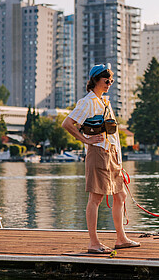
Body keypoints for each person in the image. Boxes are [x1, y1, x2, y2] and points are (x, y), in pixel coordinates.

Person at [62, 63, 140, 253]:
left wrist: (119, 160)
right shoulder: (87, 102)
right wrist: (86, 140)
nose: (109, 83)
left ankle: (121, 238)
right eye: (106, 80)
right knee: (95, 198)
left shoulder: (104, 101)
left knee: (120, 196)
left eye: (111, 80)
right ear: (95, 80)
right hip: (98, 154)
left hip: (112, 154)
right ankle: (93, 243)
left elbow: (112, 134)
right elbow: (67, 123)